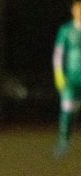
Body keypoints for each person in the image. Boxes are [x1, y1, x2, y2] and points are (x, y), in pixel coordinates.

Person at [53, 0, 81, 158]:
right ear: (73, 11)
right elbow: (58, 54)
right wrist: (59, 75)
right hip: (72, 77)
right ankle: (64, 142)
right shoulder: (66, 30)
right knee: (68, 109)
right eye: (78, 10)